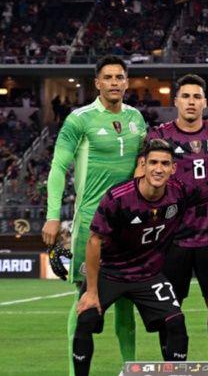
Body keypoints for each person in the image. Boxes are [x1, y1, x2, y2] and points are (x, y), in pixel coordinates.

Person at [72, 139, 208, 376]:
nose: (159, 169)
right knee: (86, 319)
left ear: (173, 168)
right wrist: (92, 292)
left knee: (176, 322)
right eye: (153, 163)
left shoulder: (179, 192)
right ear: (143, 165)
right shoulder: (118, 197)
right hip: (111, 272)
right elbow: (94, 240)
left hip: (148, 275)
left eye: (165, 164)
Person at [42, 55, 147, 374]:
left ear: (126, 82)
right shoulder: (79, 119)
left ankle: (129, 367)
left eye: (119, 77)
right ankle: (75, 372)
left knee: (127, 301)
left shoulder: (136, 118)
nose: (114, 82)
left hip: (128, 224)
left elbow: (144, 165)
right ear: (97, 83)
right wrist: (52, 215)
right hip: (91, 221)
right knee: (84, 298)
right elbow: (58, 167)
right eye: (108, 77)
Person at [144, 74, 208, 360]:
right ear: (176, 101)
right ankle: (172, 366)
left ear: (205, 102)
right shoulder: (159, 136)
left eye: (197, 97)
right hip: (172, 239)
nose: (191, 102)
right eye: (186, 96)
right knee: (170, 307)